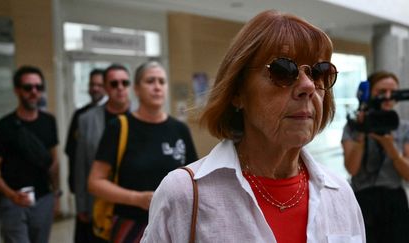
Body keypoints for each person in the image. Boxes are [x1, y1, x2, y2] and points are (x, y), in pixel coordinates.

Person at [141, 10, 365, 243]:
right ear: (238, 92)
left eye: (319, 73)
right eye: (283, 71)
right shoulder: (184, 193)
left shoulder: (340, 193)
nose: (308, 86)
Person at [88, 61, 198, 242]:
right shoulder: (119, 127)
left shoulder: (179, 129)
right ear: (137, 89)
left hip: (173, 224)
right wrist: (137, 198)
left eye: (162, 82)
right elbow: (95, 182)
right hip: (130, 224)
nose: (157, 87)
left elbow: (193, 177)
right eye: (150, 81)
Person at [0, 65, 60, 243]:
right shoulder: (2, 127)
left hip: (43, 199)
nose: (34, 92)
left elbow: (54, 162)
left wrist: (55, 194)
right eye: (28, 87)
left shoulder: (49, 121)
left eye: (38, 87)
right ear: (17, 90)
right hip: (13, 202)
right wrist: (11, 195)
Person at [341, 71, 409, 243]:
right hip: (362, 199)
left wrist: (390, 147)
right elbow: (352, 168)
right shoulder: (354, 126)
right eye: (381, 92)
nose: (387, 97)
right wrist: (362, 131)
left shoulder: (403, 127)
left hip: (394, 201)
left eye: (392, 92)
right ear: (369, 93)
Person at [74, 64, 131, 242]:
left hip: (133, 199)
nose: (120, 88)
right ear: (106, 88)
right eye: (114, 84)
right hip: (100, 198)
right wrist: (81, 204)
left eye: (124, 82)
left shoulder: (141, 116)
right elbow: (81, 164)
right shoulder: (87, 119)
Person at [65, 68, 106, 243]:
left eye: (99, 84)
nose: (95, 88)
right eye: (92, 84)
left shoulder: (116, 116)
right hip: (87, 188)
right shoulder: (81, 116)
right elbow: (73, 152)